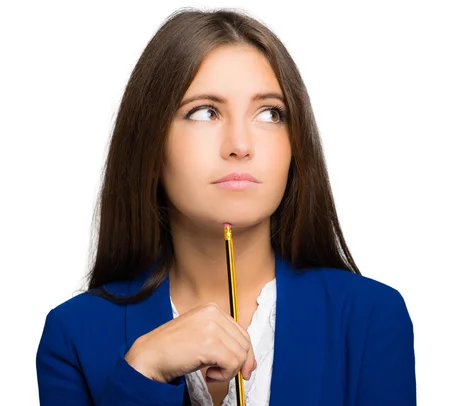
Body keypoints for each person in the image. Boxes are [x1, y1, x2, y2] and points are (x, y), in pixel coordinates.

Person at [36, 7, 416, 406]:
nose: (240, 144)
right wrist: (143, 371)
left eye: (270, 113)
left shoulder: (371, 317)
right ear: (149, 142)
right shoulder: (73, 335)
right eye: (205, 112)